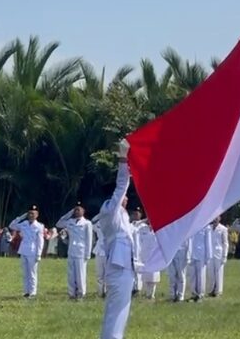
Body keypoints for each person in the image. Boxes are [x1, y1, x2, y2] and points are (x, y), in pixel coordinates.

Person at [98, 139, 134, 339]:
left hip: (124, 269)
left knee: (119, 312)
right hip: (118, 270)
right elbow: (122, 186)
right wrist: (123, 159)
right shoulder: (109, 211)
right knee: (116, 313)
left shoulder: (122, 216)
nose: (125, 199)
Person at [56, 203, 93, 300]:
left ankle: (81, 293)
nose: (77, 211)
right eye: (75, 210)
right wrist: (69, 213)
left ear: (83, 211)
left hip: (81, 251)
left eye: (79, 210)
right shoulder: (70, 222)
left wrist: (87, 254)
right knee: (71, 273)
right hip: (71, 250)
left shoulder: (87, 223)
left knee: (81, 274)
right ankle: (71, 293)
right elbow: (59, 223)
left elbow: (89, 239)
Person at [9, 205, 45, 298]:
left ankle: (33, 292)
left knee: (32, 273)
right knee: (25, 273)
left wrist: (39, 254)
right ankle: (26, 291)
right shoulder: (24, 223)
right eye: (29, 213)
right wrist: (21, 217)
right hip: (24, 250)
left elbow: (40, 241)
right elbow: (12, 225)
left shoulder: (39, 226)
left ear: (37, 215)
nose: (31, 215)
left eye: (33, 213)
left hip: (33, 251)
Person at [187, 224, 212, 302]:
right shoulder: (191, 224)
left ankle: (200, 294)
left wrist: (208, 255)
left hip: (201, 254)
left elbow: (208, 241)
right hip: (192, 253)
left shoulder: (206, 226)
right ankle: (193, 294)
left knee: (201, 275)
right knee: (192, 275)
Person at [207, 216, 229, 297]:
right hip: (210, 253)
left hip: (219, 253)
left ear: (220, 218)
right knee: (210, 272)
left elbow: (225, 243)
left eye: (217, 217)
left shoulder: (223, 229)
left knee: (218, 272)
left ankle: (218, 291)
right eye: (214, 217)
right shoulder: (208, 228)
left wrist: (225, 255)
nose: (215, 219)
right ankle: (211, 290)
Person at [130, 207, 148, 296]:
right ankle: (133, 287)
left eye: (137, 213)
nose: (135, 215)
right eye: (134, 213)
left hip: (141, 251)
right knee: (132, 270)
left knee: (139, 271)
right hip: (132, 250)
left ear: (141, 215)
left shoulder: (144, 227)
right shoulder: (130, 225)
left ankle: (138, 288)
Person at [92, 213, 107, 297]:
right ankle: (100, 292)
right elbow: (92, 222)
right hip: (99, 250)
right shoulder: (99, 224)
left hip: (109, 251)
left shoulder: (113, 223)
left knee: (108, 274)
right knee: (99, 274)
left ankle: (108, 292)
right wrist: (100, 215)